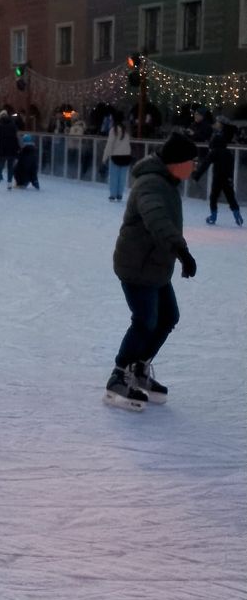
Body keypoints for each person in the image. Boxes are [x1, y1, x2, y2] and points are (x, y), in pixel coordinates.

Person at [104, 131, 198, 411]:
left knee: (168, 316)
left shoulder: (166, 182)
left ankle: (139, 369)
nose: (193, 166)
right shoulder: (151, 185)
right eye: (190, 161)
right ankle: (118, 375)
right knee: (145, 320)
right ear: (175, 162)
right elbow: (156, 218)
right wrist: (181, 250)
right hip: (137, 265)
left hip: (155, 266)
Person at [193, 117, 243, 226]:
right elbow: (231, 166)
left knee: (213, 197)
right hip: (227, 178)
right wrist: (230, 177)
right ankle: (237, 214)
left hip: (218, 178)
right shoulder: (228, 153)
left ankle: (213, 216)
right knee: (230, 197)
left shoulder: (214, 152)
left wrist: (196, 175)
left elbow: (205, 165)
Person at [102, 112, 132, 201]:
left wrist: (104, 157)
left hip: (115, 156)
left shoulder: (113, 130)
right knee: (122, 177)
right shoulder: (127, 130)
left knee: (114, 176)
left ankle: (113, 194)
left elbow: (109, 144)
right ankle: (120, 194)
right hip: (126, 156)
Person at [0, 109, 20, 190]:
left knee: (0, 166)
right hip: (12, 148)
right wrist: (20, 146)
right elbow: (18, 136)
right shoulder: (13, 125)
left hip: (3, 148)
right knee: (10, 167)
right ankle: (9, 183)